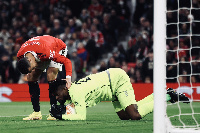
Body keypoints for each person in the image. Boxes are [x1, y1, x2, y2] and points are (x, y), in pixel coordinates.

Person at [50, 68, 189, 120]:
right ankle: (162, 93)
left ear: (64, 89)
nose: (57, 98)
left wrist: (61, 116)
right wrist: (63, 112)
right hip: (111, 88)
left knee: (135, 115)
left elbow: (81, 116)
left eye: (57, 94)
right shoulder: (73, 90)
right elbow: (74, 107)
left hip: (117, 80)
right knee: (124, 116)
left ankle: (168, 97)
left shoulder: (76, 92)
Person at [17, 35, 72, 120]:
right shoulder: (20, 55)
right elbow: (29, 68)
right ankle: (36, 113)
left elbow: (67, 61)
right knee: (31, 77)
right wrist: (30, 71)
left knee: (51, 74)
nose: (32, 70)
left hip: (57, 47)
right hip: (39, 50)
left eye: (31, 68)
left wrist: (68, 78)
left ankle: (53, 113)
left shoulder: (46, 52)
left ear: (30, 60)